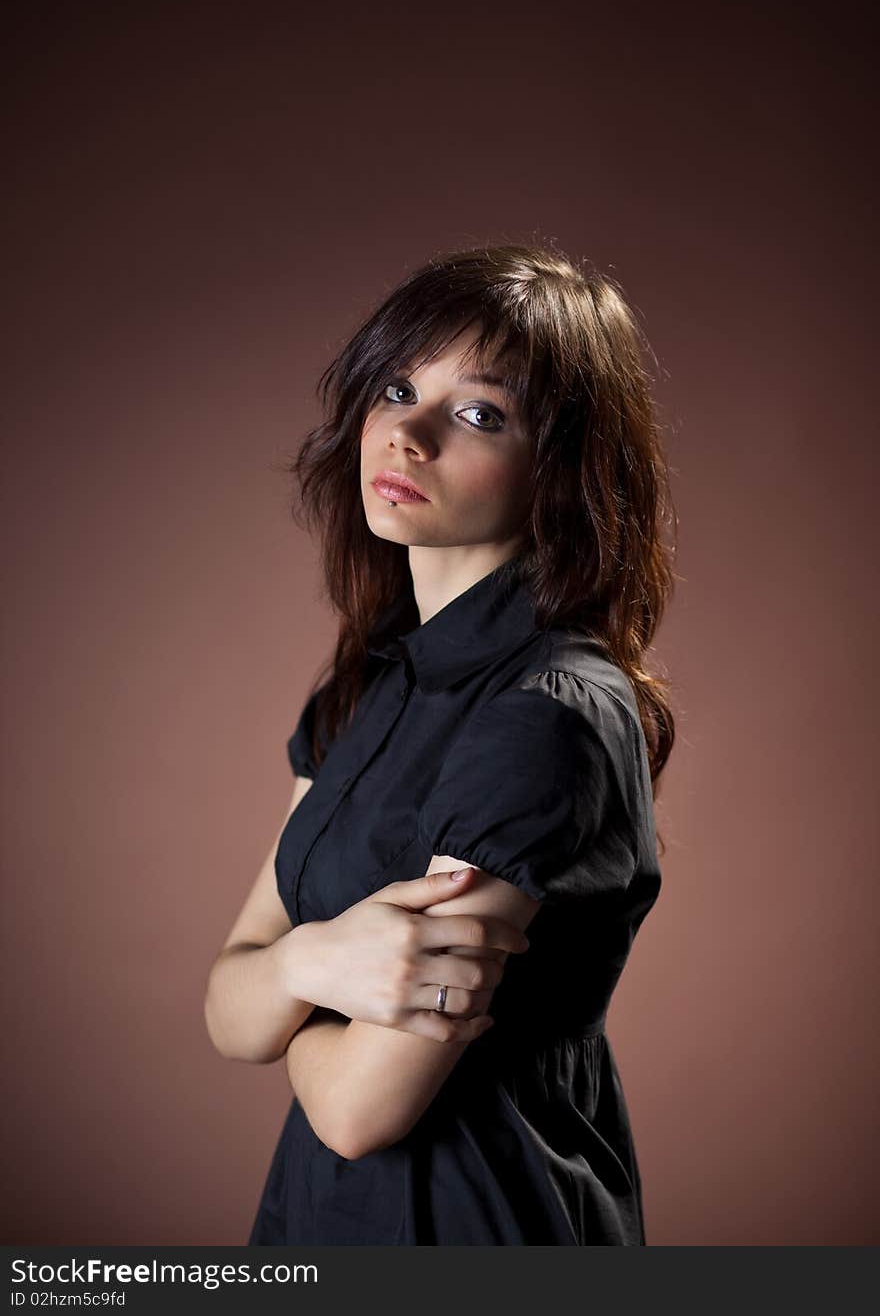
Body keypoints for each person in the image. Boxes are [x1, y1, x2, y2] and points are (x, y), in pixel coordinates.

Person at [204, 241, 677, 1245]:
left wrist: (284, 985)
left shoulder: (548, 715)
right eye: (396, 386)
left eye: (478, 413)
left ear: (560, 469)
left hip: (478, 1225)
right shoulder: (364, 687)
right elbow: (226, 1007)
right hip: (319, 1221)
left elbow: (358, 1105)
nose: (406, 434)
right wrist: (315, 963)